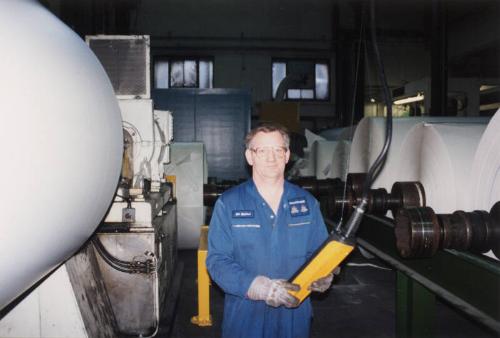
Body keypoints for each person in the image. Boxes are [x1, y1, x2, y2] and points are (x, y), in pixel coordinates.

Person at [206, 123, 335, 338]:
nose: (271, 157)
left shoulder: (307, 203)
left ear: (287, 156)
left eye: (278, 150)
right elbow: (217, 261)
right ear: (250, 156)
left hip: (294, 312)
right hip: (245, 315)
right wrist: (260, 288)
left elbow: (319, 253)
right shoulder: (229, 203)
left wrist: (324, 275)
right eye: (262, 150)